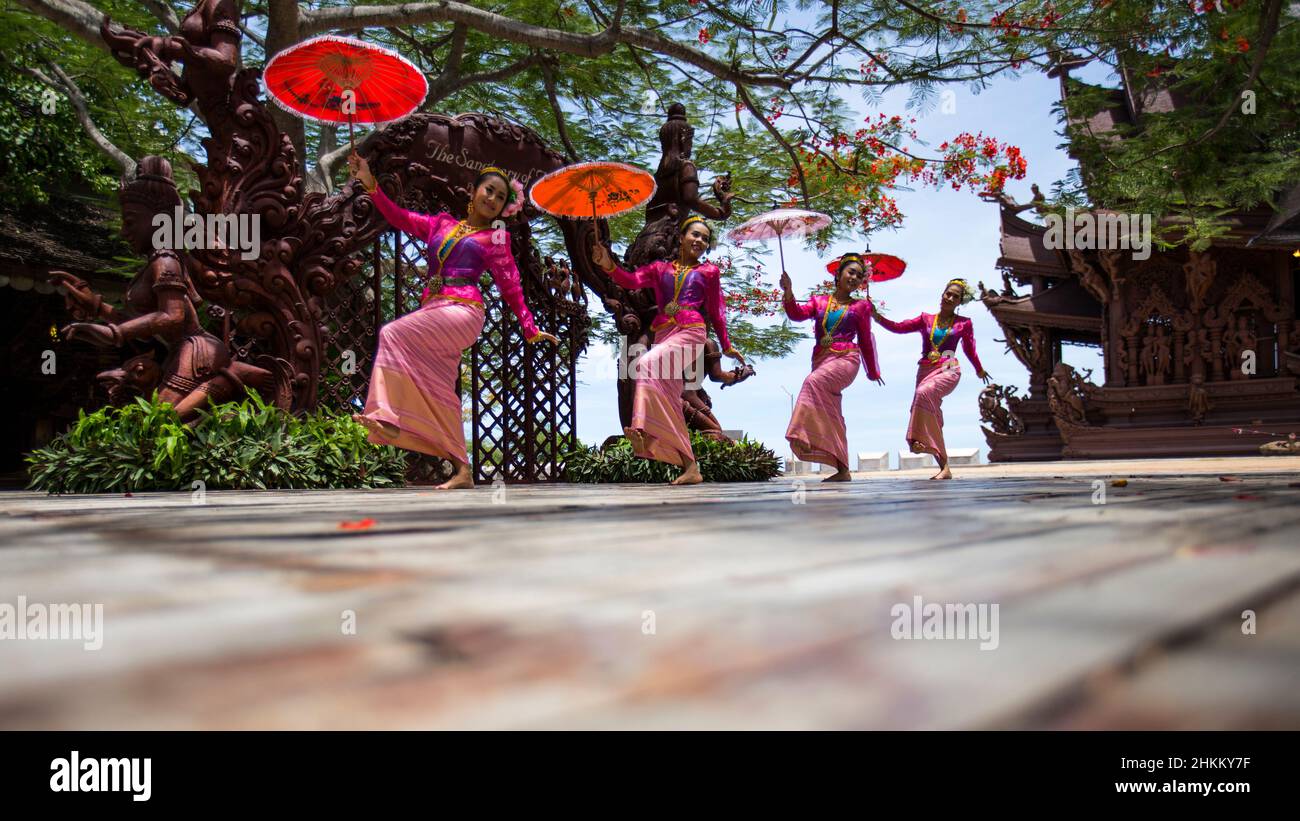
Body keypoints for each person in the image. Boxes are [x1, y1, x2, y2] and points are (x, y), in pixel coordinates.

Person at [348, 153, 558, 489]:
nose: (493, 199)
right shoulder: (440, 225)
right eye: (489, 191)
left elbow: (512, 285)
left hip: (463, 312)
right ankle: (462, 469)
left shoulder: (496, 240)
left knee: (392, 333)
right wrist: (370, 184)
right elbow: (399, 217)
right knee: (442, 392)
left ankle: (384, 415)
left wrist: (530, 327)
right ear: (473, 192)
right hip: (432, 309)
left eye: (501, 197)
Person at [590, 216, 745, 484]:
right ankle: (690, 467)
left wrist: (727, 346)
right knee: (672, 400)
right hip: (664, 333)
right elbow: (630, 280)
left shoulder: (708, 272)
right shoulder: (660, 269)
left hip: (691, 331)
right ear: (682, 237)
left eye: (705, 238)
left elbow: (717, 312)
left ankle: (643, 431)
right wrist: (607, 264)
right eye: (695, 234)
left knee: (644, 365)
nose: (699, 241)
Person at [873, 278, 990, 480]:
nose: (950, 298)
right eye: (948, 293)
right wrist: (877, 317)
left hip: (948, 366)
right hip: (926, 369)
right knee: (929, 410)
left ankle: (922, 442)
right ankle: (944, 467)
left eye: (955, 296)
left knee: (923, 393)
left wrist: (979, 369)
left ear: (959, 302)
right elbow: (899, 327)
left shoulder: (964, 323)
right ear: (942, 295)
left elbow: (969, 349)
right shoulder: (926, 319)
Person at [780, 254, 884, 481]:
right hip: (821, 359)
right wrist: (788, 291)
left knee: (812, 382)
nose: (855, 277)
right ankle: (843, 469)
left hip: (847, 359)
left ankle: (802, 434)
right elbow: (796, 314)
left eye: (859, 275)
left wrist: (873, 371)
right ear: (838, 275)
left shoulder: (861, 306)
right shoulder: (819, 301)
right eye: (851, 272)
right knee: (833, 413)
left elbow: (865, 339)